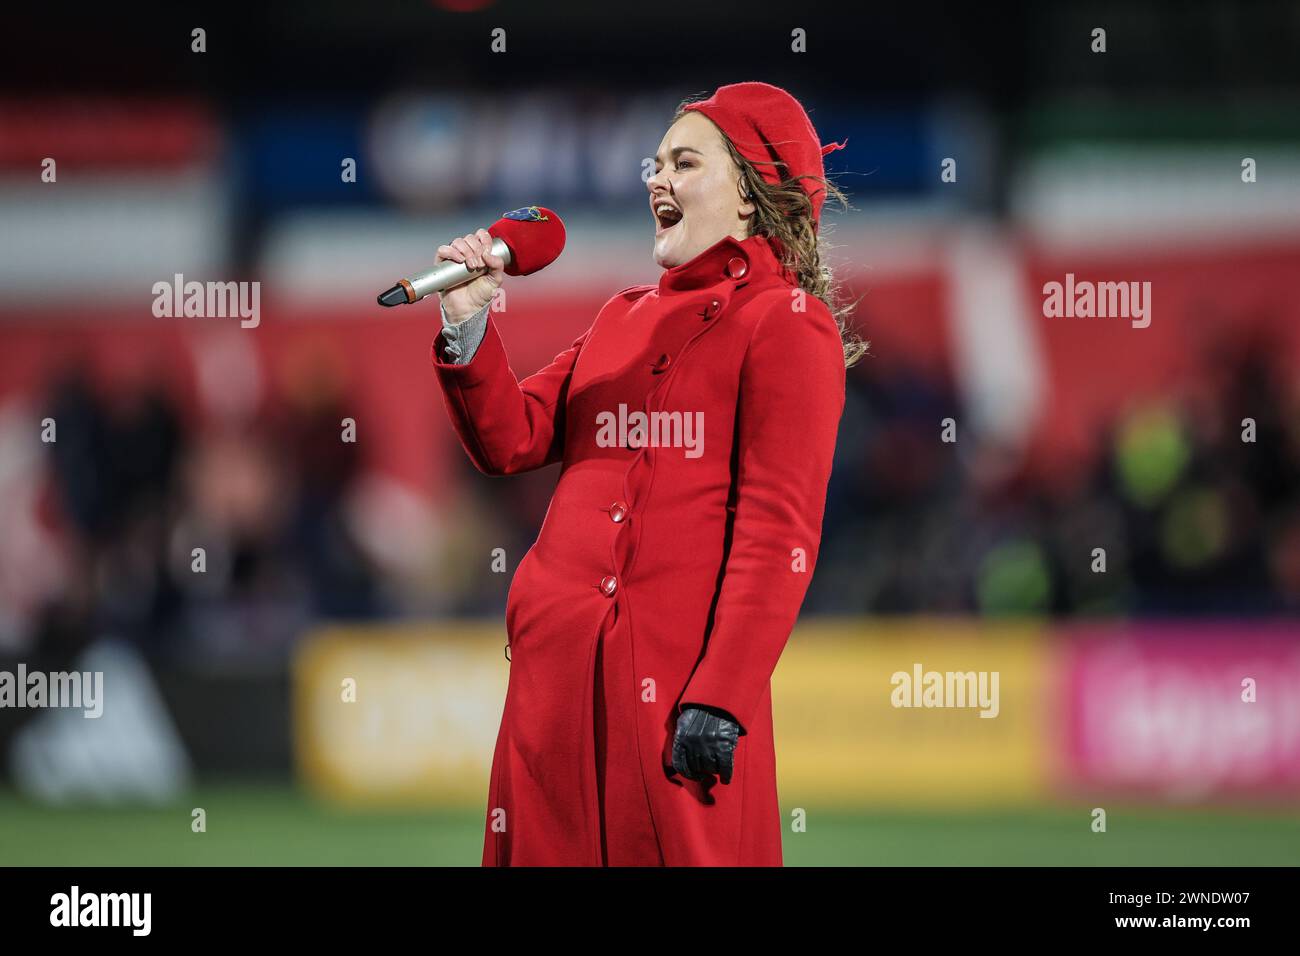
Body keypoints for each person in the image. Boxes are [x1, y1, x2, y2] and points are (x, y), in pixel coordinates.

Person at [430, 81, 864, 866]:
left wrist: (722, 697)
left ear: (750, 193)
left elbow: (779, 533)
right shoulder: (620, 316)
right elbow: (511, 438)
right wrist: (468, 324)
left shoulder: (788, 324)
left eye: (684, 162)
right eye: (654, 164)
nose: (655, 181)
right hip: (554, 681)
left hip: (676, 696)